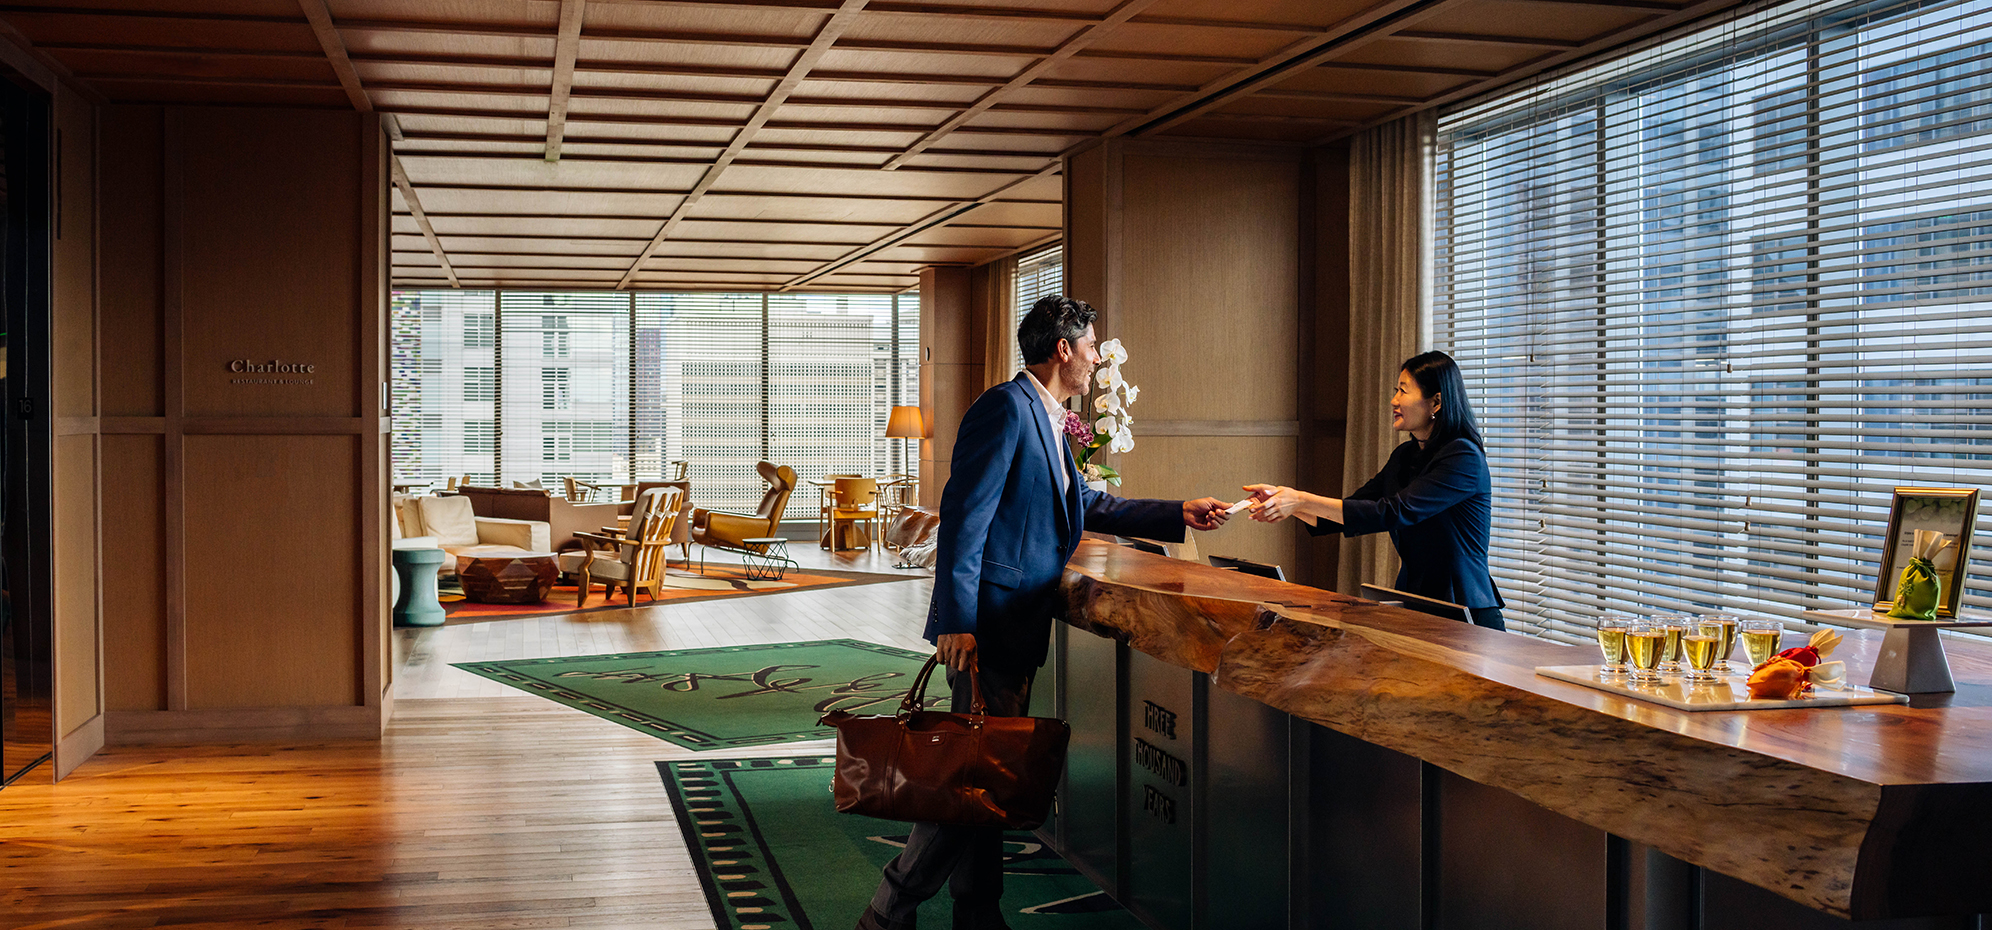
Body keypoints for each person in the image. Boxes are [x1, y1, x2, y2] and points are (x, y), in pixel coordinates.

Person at [855, 295, 1233, 930]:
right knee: (969, 780)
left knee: (989, 779)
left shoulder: (1048, 416)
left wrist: (1178, 512)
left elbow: (1087, 503)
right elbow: (965, 519)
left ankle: (978, 913)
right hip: (985, 629)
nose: (1094, 359)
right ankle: (887, 914)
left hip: (1012, 626)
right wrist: (957, 620)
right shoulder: (1006, 408)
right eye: (1090, 347)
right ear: (1065, 348)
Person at [1243, 350, 1505, 630]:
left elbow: (1394, 512)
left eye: (1403, 391)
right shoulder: (1405, 455)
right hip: (1416, 603)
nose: (1394, 400)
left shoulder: (1463, 458)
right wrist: (1287, 502)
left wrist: (1299, 500)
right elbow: (1355, 507)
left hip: (1466, 610)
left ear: (1436, 402)